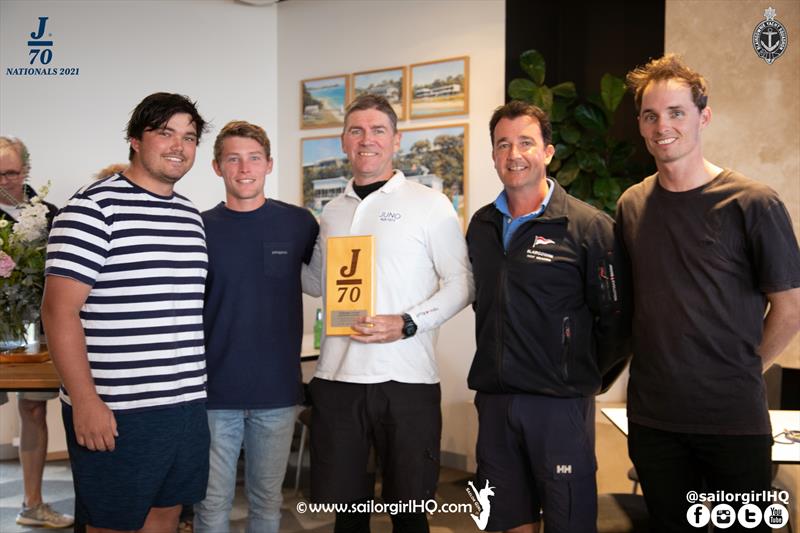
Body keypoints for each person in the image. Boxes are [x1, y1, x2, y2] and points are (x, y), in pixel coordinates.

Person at [618, 54, 800, 532]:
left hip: (733, 424)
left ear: (704, 116)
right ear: (640, 123)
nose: (663, 126)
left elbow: (789, 306)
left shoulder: (753, 202)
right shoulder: (632, 205)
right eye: (651, 115)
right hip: (655, 422)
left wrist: (744, 366)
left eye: (677, 112)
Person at [41, 92, 211, 533]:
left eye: (189, 137)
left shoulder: (190, 216)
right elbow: (59, 312)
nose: (179, 146)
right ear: (135, 139)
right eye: (165, 133)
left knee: (167, 515)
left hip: (185, 406)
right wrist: (85, 401)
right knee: (112, 522)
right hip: (118, 410)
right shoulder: (93, 209)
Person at [306, 94, 474, 532]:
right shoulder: (332, 211)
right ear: (344, 140)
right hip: (338, 379)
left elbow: (463, 283)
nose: (367, 140)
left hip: (407, 381)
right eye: (356, 130)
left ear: (396, 140)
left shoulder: (429, 203)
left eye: (378, 130)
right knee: (349, 514)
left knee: (409, 513)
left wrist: (407, 322)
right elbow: (316, 283)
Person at [465, 101, 629, 533]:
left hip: (558, 405)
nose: (513, 154)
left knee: (567, 521)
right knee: (504, 520)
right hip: (496, 401)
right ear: (493, 154)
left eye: (525, 142)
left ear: (548, 152)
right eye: (503, 144)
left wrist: (584, 374)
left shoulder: (588, 227)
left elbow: (617, 319)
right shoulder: (481, 226)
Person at [193, 120, 319, 533]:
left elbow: (325, 281)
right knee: (211, 505)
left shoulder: (299, 224)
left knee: (267, 504)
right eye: (233, 159)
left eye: (253, 159)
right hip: (213, 392)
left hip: (277, 394)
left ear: (268, 164)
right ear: (217, 167)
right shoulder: (197, 228)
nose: (244, 168)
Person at [0, 136, 72, 529]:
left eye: (11, 173)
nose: (4, 182)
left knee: (33, 409)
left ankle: (32, 504)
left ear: (26, 170)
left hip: (36, 332)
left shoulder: (48, 213)